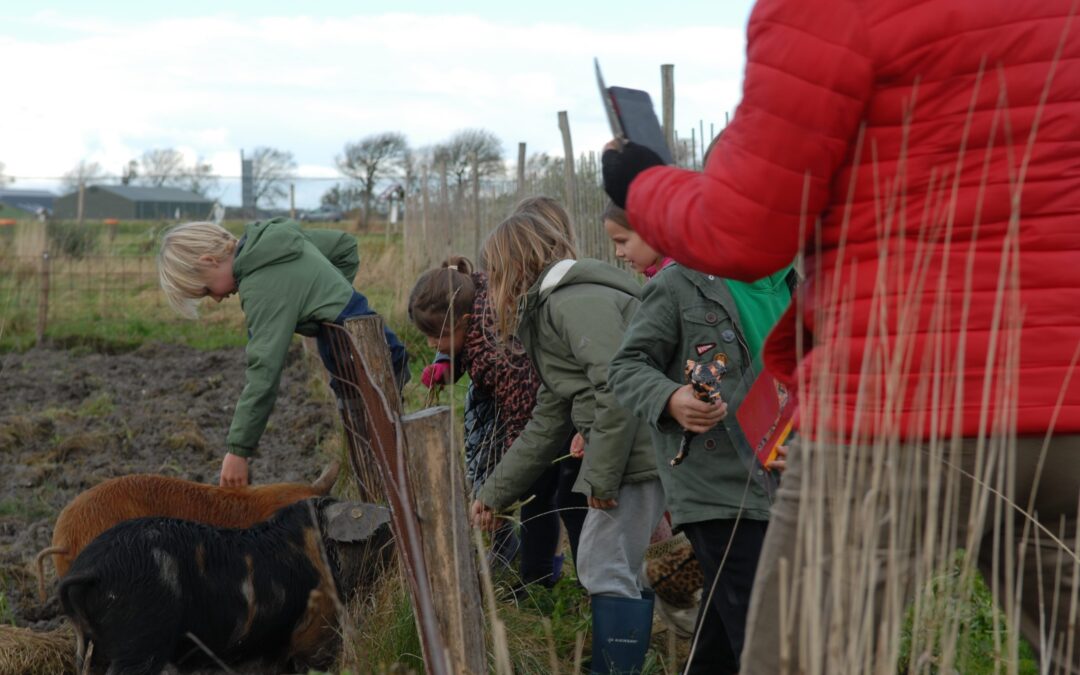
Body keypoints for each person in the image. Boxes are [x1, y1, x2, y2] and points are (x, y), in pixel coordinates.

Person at [601, 0, 1080, 671]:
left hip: (897, 408)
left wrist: (642, 185)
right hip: (1062, 409)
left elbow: (748, 225)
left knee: (797, 656)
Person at [470, 212, 664, 674]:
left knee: (600, 563)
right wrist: (493, 493)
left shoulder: (572, 304)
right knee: (622, 564)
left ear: (515, 268)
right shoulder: (554, 309)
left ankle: (617, 668)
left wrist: (602, 474)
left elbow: (618, 388)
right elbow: (548, 420)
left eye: (494, 274)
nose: (490, 287)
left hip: (637, 454)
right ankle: (644, 656)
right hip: (636, 449)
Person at [606, 200, 791, 674]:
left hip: (782, 482)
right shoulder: (677, 286)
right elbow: (626, 367)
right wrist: (671, 398)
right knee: (760, 626)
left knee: (724, 632)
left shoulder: (794, 285)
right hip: (715, 483)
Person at [158, 217, 409, 487]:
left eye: (207, 290)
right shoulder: (277, 240)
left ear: (210, 261)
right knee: (384, 445)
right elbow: (344, 246)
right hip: (381, 346)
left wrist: (238, 451)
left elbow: (263, 373)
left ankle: (388, 498)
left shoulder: (260, 288)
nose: (217, 298)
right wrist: (324, 298)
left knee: (377, 458)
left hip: (359, 364)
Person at [408, 255, 586, 587]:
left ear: (462, 321)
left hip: (552, 417)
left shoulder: (497, 349)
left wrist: (503, 486)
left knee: (549, 494)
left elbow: (525, 423)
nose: (431, 344)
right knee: (546, 495)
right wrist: (449, 360)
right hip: (538, 412)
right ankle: (542, 574)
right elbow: (459, 342)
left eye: (437, 338)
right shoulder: (469, 295)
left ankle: (555, 579)